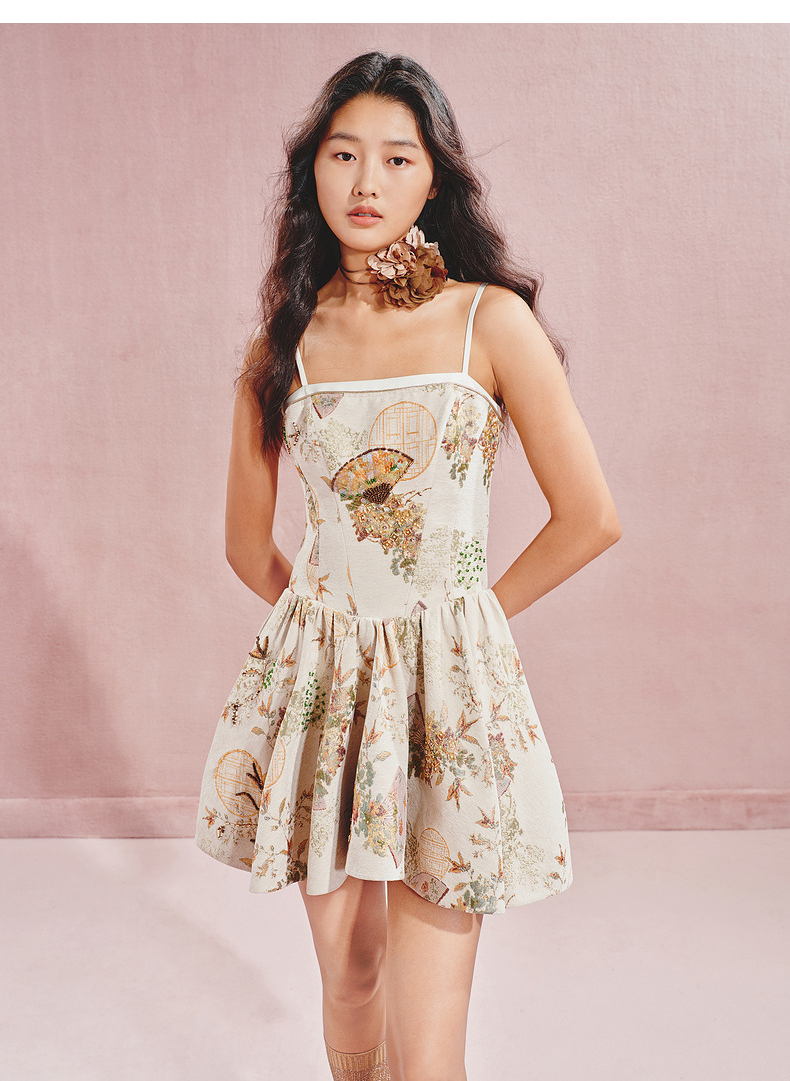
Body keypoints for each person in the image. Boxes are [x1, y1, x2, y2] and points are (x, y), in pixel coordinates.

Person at [194, 50, 621, 1081]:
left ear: (435, 181)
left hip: (449, 696)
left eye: (398, 157)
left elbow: (589, 517)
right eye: (344, 154)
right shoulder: (282, 347)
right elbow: (247, 548)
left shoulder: (489, 320)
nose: (367, 181)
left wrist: (467, 623)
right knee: (350, 978)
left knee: (429, 1052)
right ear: (312, 171)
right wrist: (327, 627)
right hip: (328, 696)